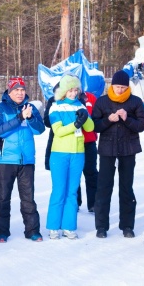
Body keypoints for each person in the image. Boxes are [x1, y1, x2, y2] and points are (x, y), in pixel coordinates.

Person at [92, 70, 144, 239]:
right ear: (112, 85)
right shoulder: (102, 101)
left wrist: (127, 119)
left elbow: (142, 125)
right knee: (104, 188)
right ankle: (101, 226)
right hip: (107, 150)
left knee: (126, 188)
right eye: (117, 86)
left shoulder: (135, 101)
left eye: (123, 87)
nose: (120, 90)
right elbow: (94, 126)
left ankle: (127, 225)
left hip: (128, 149)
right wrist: (109, 120)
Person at [0, 77, 45, 243]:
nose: (20, 93)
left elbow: (40, 129)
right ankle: (1, 232)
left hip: (27, 160)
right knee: (3, 197)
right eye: (16, 90)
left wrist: (29, 118)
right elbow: (0, 131)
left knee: (28, 198)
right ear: (9, 91)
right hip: (6, 160)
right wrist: (20, 117)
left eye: (22, 90)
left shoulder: (31, 108)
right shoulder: (0, 108)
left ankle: (32, 230)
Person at [46, 74, 94, 240]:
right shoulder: (55, 107)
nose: (73, 93)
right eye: (70, 90)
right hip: (59, 153)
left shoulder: (80, 105)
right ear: (64, 91)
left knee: (72, 191)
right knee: (59, 190)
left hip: (77, 153)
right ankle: (53, 226)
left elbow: (91, 127)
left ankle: (69, 226)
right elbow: (58, 131)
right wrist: (75, 124)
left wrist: (84, 116)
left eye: (76, 90)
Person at [77, 91, 98, 213]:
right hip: (73, 142)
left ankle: (93, 203)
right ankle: (75, 202)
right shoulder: (66, 97)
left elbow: (97, 116)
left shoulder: (89, 97)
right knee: (74, 174)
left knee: (91, 172)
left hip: (89, 141)